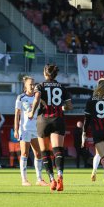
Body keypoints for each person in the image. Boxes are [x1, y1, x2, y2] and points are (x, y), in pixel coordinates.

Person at [28, 64, 73, 192]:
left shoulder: (40, 86)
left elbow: (36, 99)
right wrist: (61, 107)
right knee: (57, 149)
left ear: (45, 73)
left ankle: (52, 180)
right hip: (58, 120)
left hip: (43, 120)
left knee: (44, 152)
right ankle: (60, 176)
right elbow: (69, 106)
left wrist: (32, 112)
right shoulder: (62, 87)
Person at [14, 76, 48, 186]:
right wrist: (16, 129)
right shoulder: (21, 97)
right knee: (24, 153)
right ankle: (24, 180)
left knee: (38, 154)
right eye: (30, 84)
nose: (33, 86)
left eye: (34, 84)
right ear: (25, 86)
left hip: (36, 129)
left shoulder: (38, 97)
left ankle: (39, 179)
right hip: (24, 129)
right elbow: (17, 115)